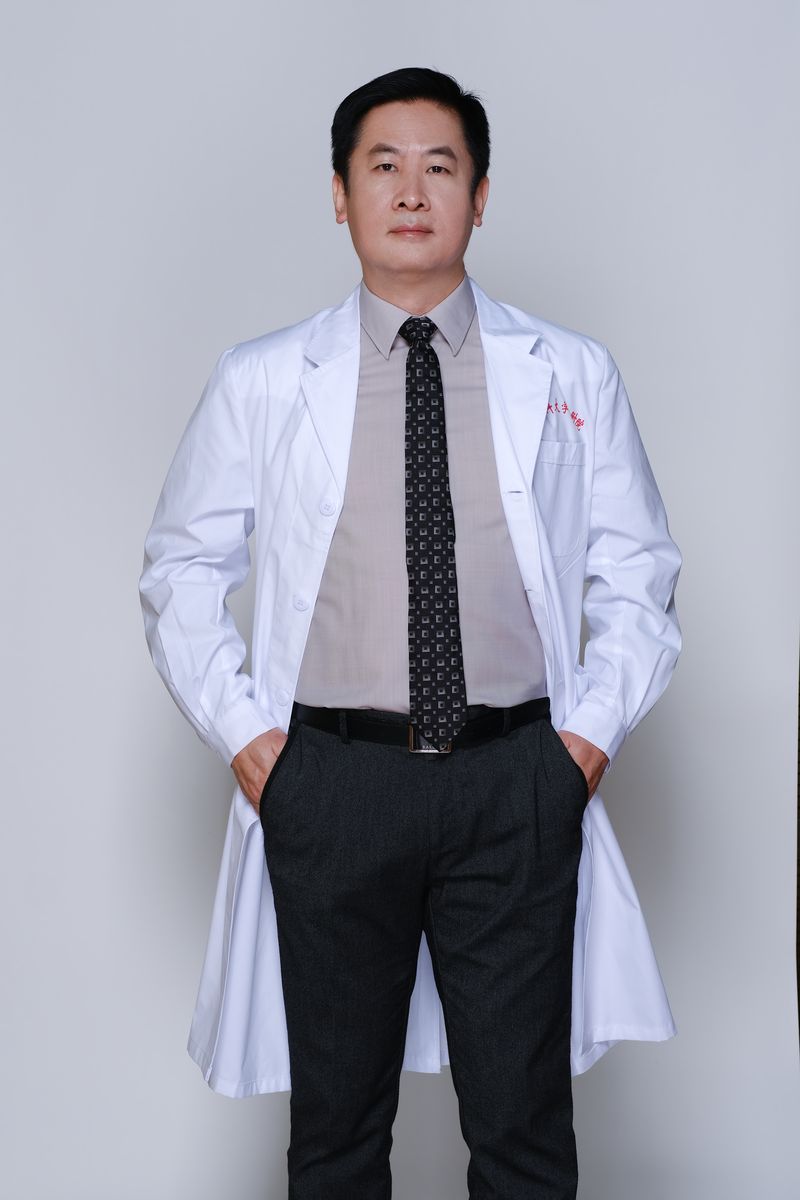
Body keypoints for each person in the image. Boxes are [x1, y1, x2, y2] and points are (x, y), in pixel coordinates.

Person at [140, 66, 681, 1200]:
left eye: (441, 166)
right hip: (332, 783)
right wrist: (254, 747)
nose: (411, 190)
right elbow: (181, 570)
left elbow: (639, 575)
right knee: (335, 1139)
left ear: (479, 196)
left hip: (515, 779)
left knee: (524, 1135)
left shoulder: (570, 372)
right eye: (382, 165)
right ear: (339, 194)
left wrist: (579, 749)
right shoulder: (263, 379)